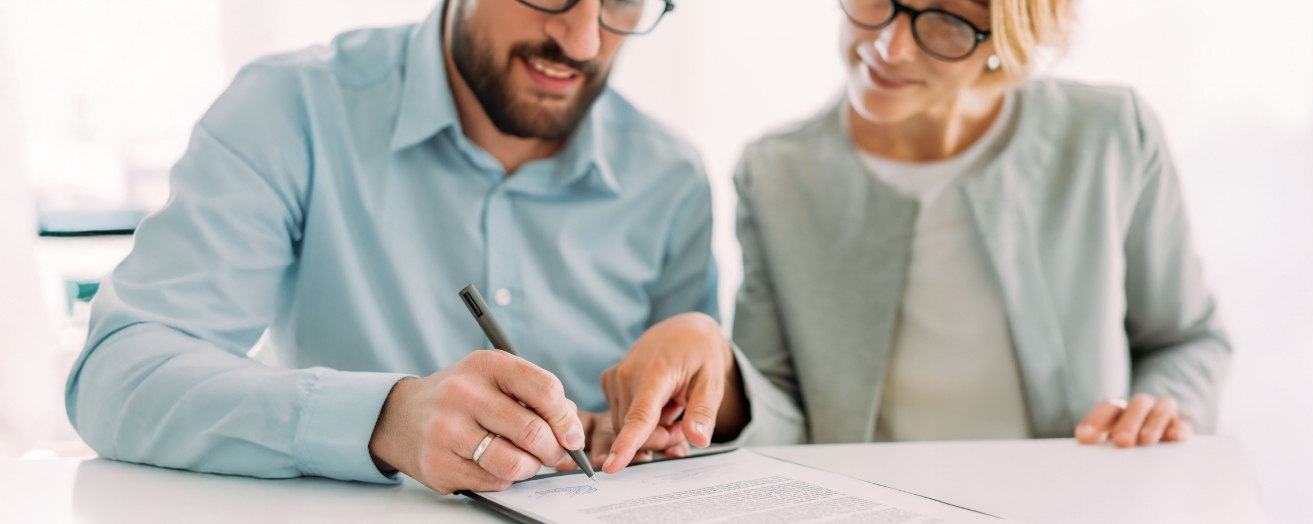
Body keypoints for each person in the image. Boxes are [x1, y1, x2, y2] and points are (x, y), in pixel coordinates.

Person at [65, 0, 802, 495]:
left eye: (624, 3)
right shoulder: (292, 112)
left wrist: (710, 376)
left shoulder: (669, 177)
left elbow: (685, 450)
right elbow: (117, 374)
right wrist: (385, 418)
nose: (582, 40)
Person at [725, 0, 1232, 446]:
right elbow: (775, 408)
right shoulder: (775, 175)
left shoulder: (1112, 135)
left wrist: (1160, 408)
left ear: (1009, 36)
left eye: (947, 20)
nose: (891, 45)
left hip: (1069, 501)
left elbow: (1186, 341)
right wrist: (721, 386)